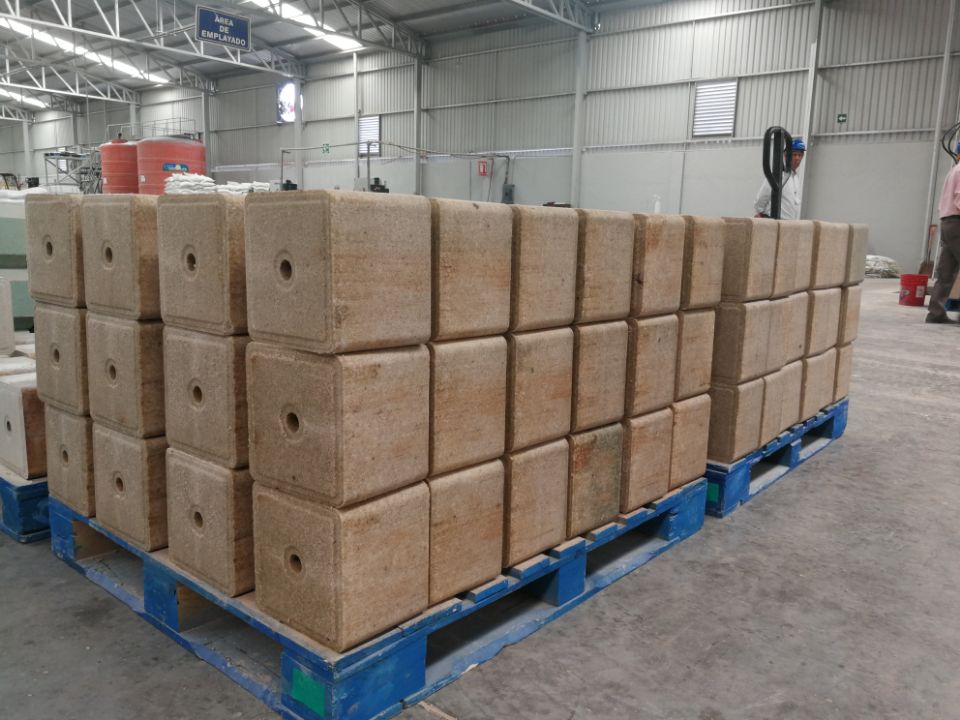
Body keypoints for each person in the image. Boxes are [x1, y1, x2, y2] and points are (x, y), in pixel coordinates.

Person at [927, 158, 960, 324]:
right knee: (946, 272)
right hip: (957, 221)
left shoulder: (954, 170)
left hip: (948, 222)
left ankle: (936, 313)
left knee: (946, 271)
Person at [754, 137, 806, 220]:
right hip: (774, 221)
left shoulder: (795, 178)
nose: (797, 158)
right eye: (794, 154)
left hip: (789, 223)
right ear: (786, 155)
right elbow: (762, 197)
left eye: (799, 155)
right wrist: (761, 213)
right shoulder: (778, 175)